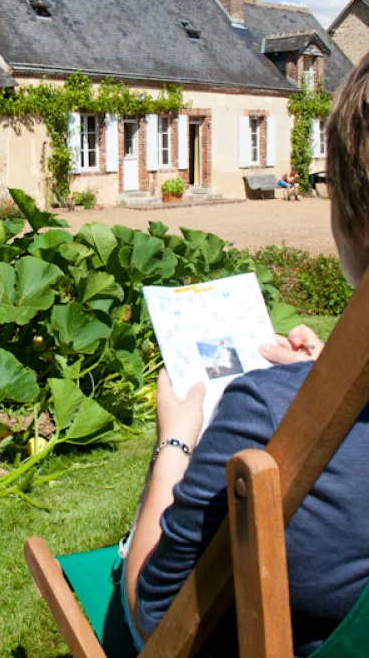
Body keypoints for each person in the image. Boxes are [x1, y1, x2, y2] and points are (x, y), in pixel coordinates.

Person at [122, 53, 369, 657]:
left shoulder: (263, 411)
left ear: (354, 221)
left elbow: (155, 612)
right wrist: (323, 381)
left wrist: (175, 440)